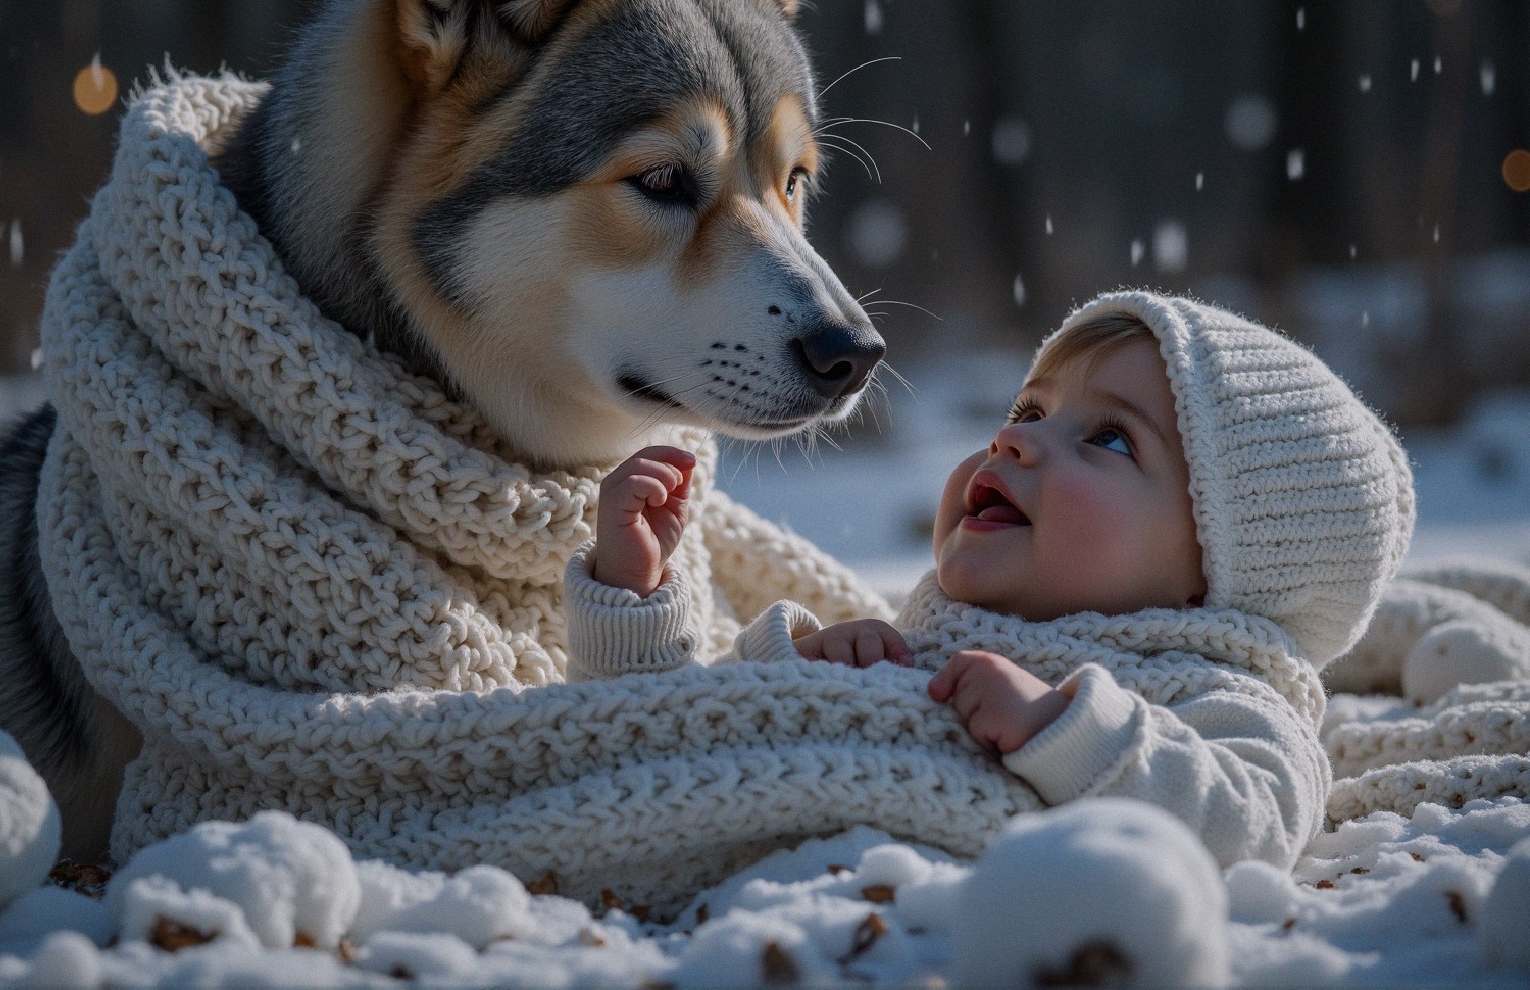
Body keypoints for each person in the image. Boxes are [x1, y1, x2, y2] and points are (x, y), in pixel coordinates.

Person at [563, 290, 1416, 864]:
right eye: (1030, 412)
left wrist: (1066, 728)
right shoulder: (910, 647)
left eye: (1110, 439)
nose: (1015, 441)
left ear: (1214, 573)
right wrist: (639, 606)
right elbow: (657, 766)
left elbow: (1255, 824)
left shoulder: (1209, 692)